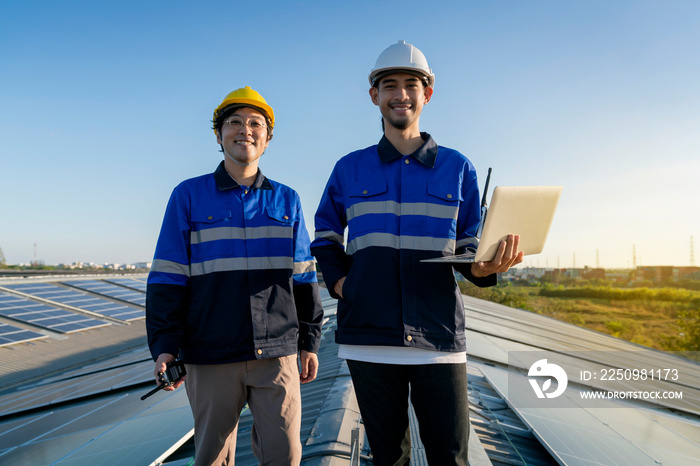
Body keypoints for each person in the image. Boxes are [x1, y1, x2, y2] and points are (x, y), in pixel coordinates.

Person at [311, 41, 523, 465]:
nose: (400, 94)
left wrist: (486, 267)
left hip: (438, 335)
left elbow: (469, 247)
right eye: (389, 85)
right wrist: (340, 282)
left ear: (428, 93)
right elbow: (325, 233)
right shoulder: (349, 168)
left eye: (412, 84)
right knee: (388, 458)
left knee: (450, 456)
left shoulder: (458, 167)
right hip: (369, 336)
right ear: (375, 96)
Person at [146, 86, 324, 466]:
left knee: (285, 456)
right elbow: (167, 277)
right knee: (211, 458)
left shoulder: (287, 200)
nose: (245, 130)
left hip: (276, 354)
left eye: (256, 123)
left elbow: (304, 277)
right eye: (235, 122)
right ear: (218, 134)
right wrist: (165, 345)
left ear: (268, 138)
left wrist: (309, 339)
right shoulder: (188, 196)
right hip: (210, 355)